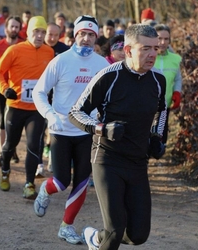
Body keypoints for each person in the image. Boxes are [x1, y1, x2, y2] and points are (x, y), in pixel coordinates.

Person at [69, 24, 167, 250]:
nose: (152, 54)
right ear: (129, 50)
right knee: (115, 231)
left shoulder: (158, 81)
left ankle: (95, 239)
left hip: (137, 162)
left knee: (138, 236)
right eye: (146, 49)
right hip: (107, 159)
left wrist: (157, 137)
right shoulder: (108, 76)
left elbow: (162, 111)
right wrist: (102, 129)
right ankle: (104, 239)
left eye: (155, 48)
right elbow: (75, 112)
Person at [32, 14, 109, 245]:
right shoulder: (60, 61)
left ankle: (67, 226)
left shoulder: (103, 64)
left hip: (88, 132)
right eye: (82, 34)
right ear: (75, 35)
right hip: (61, 130)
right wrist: (50, 115)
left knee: (83, 181)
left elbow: (110, 97)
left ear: (96, 37)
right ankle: (45, 190)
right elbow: (38, 92)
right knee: (61, 181)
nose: (86, 39)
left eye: (90, 35)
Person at [0, 16, 54, 199]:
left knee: (34, 144)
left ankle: (29, 184)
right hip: (15, 106)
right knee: (11, 143)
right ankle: (5, 171)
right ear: (28, 32)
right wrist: (5, 89)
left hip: (36, 108)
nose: (40, 35)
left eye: (43, 32)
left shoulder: (49, 53)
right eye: (36, 31)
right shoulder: (14, 50)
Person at [0, 16, 23, 166]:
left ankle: (12, 148)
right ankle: (3, 153)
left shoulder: (23, 46)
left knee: (15, 122)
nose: (14, 29)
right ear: (6, 28)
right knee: (2, 120)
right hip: (2, 89)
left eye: (17, 27)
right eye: (12, 26)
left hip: (18, 90)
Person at [41, 22, 70, 172]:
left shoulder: (65, 51)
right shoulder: (37, 48)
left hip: (58, 95)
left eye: (55, 35)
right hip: (39, 93)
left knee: (54, 128)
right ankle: (38, 162)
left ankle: (52, 160)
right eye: (49, 34)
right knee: (39, 129)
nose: (52, 38)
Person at [153, 24, 182, 145]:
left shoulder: (176, 59)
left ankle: (159, 150)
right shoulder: (147, 56)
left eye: (166, 39)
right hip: (147, 102)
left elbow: (178, 78)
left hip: (165, 103)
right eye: (159, 38)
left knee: (161, 133)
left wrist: (177, 92)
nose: (163, 42)